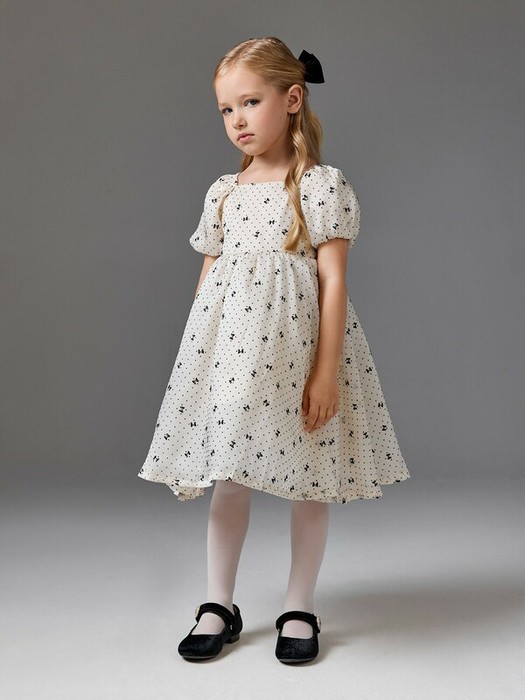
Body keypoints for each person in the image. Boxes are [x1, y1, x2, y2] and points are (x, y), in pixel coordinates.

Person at [138, 36, 410, 664]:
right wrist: (197, 368)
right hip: (233, 362)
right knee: (228, 477)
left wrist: (325, 374)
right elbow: (208, 286)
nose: (236, 120)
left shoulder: (317, 186)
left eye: (250, 102)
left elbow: (334, 282)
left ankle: (299, 606)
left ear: (291, 100)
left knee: (307, 481)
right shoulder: (223, 193)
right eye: (225, 109)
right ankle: (218, 603)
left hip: (300, 355)